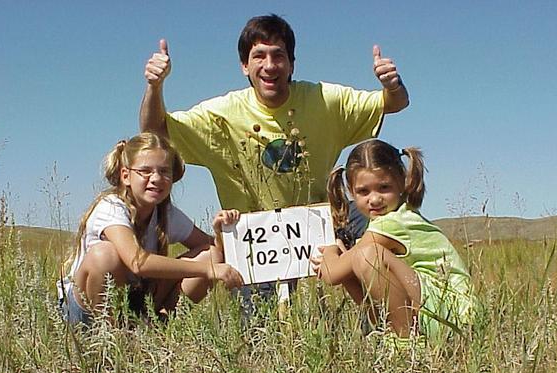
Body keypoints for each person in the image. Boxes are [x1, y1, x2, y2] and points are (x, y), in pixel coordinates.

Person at [140, 14, 409, 216]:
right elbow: (154, 131)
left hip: (320, 226)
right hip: (252, 240)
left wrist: (392, 84)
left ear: (291, 64)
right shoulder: (220, 114)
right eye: (259, 56)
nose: (269, 66)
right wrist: (155, 86)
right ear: (245, 66)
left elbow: (395, 103)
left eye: (278, 56)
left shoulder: (325, 100)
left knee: (389, 222)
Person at [58, 132, 244, 325]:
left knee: (211, 255)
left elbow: (217, 254)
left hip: (136, 298)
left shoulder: (166, 212)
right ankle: (108, 339)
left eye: (164, 171)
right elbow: (137, 262)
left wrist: (219, 233)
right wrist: (207, 270)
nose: (156, 178)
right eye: (145, 171)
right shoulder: (111, 207)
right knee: (105, 254)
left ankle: (160, 326)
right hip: (84, 309)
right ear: (126, 176)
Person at [312, 140, 475, 339]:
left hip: (454, 313)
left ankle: (406, 341)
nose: (374, 199)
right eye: (364, 191)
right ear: (350, 190)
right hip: (441, 310)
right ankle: (389, 334)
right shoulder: (396, 217)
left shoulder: (392, 223)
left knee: (365, 257)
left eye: (384, 187)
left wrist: (331, 250)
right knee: (355, 263)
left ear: (402, 181)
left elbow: (331, 274)